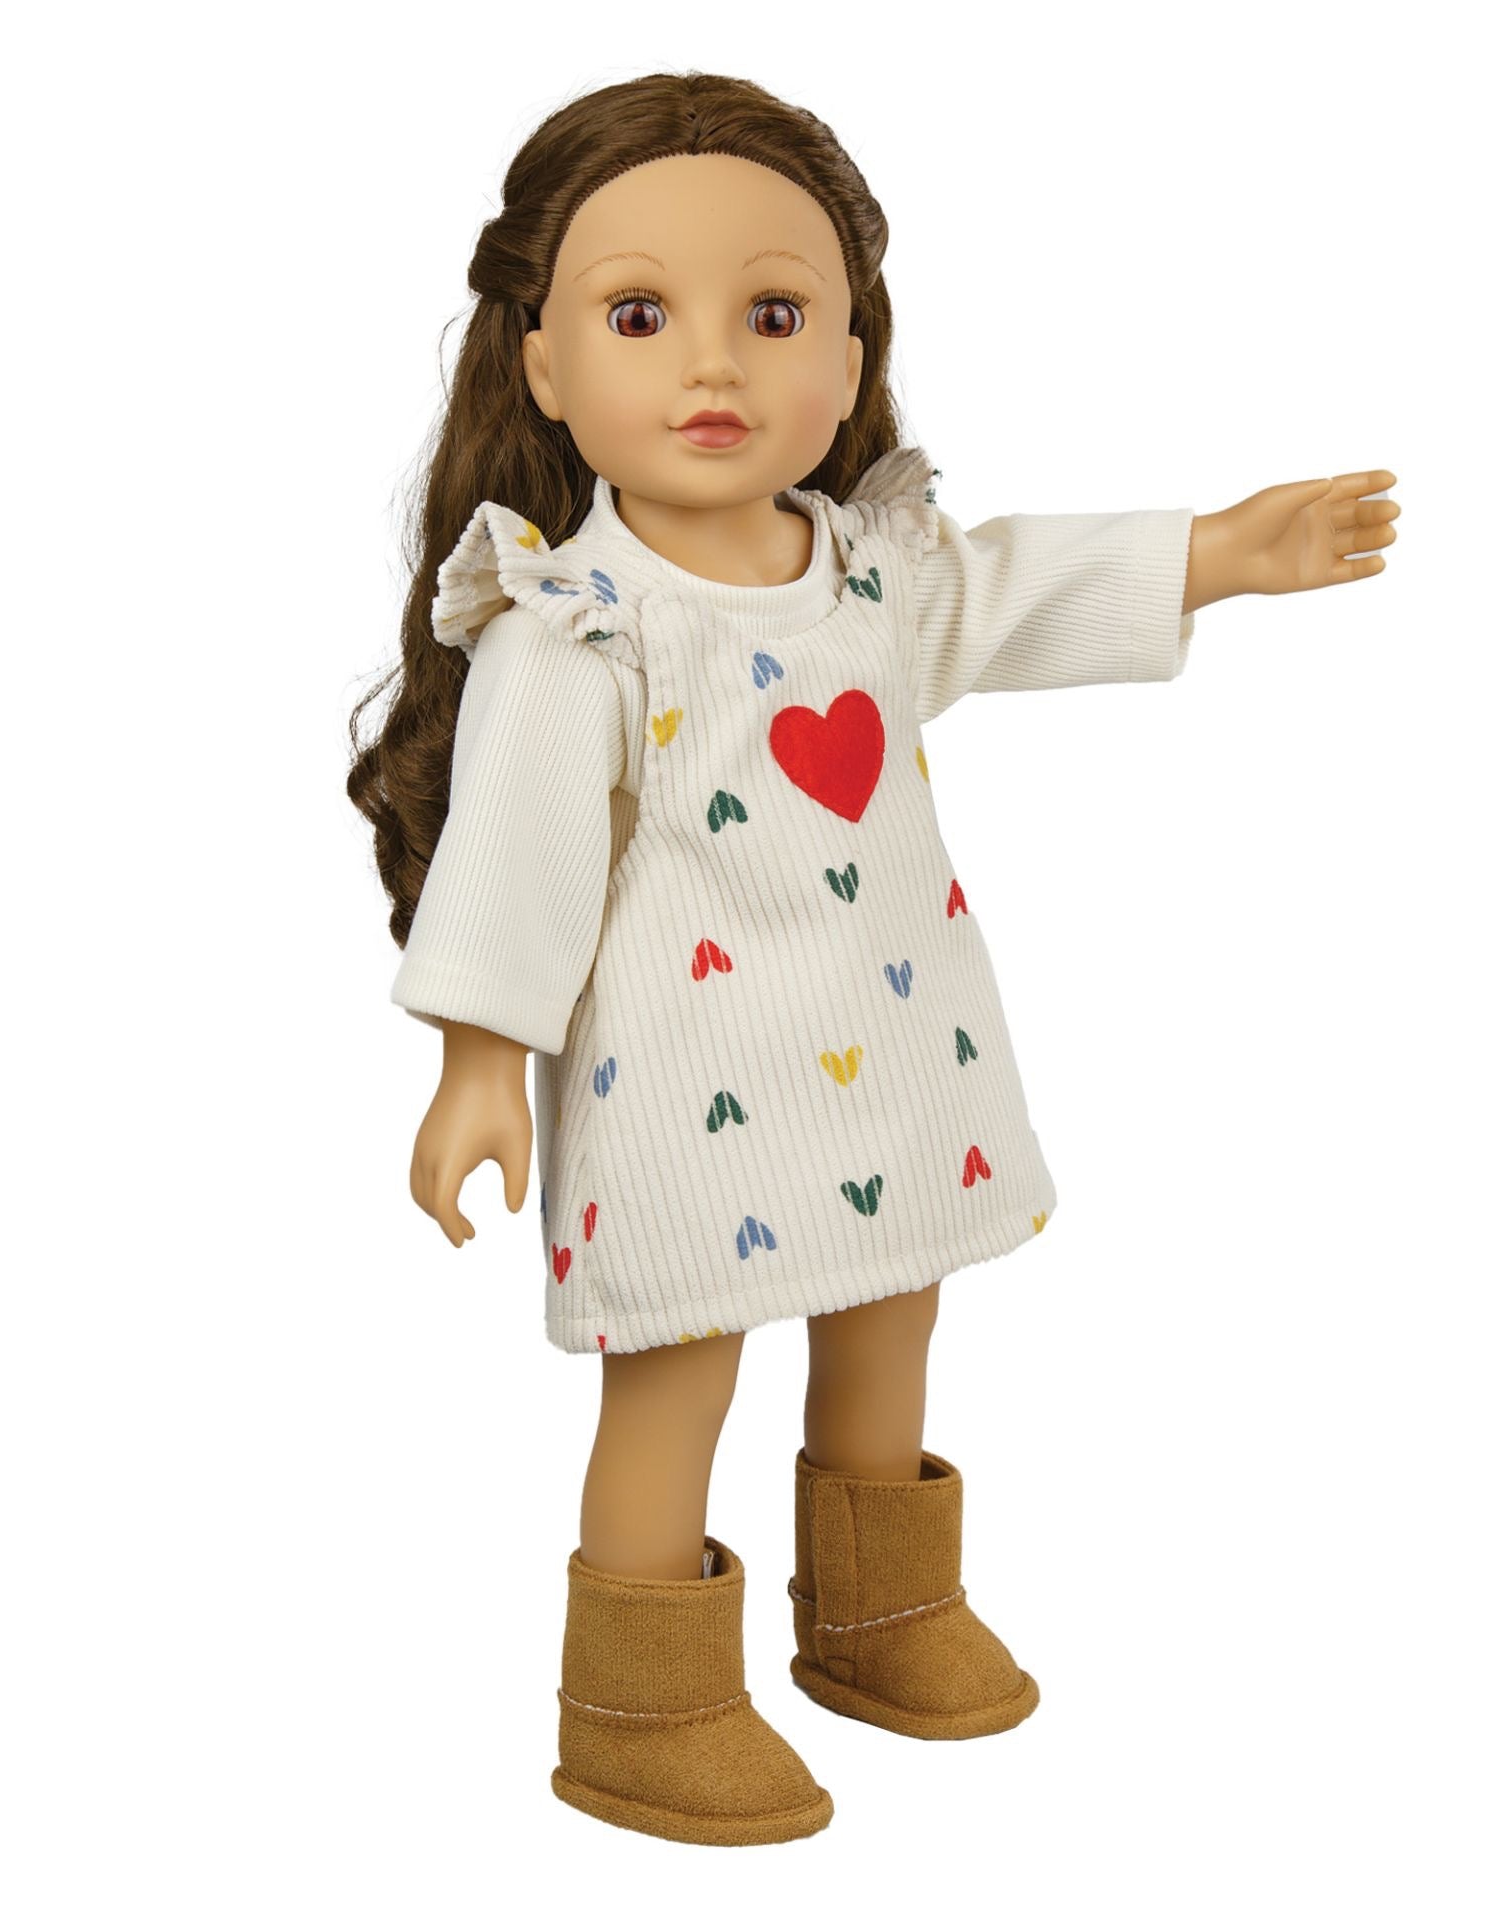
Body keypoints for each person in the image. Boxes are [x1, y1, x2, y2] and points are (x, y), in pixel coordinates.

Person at [346, 70, 1400, 1847]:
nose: (712, 365)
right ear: (543, 367)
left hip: (894, 1047)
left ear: (849, 357)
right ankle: (649, 1699)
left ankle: (881, 1609)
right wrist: (475, 1063)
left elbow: (1015, 587)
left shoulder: (867, 574)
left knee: (893, 1300)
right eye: (638, 315)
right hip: (681, 1082)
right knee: (676, 1365)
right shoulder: (574, 630)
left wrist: (1219, 553)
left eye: (773, 315)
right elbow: (515, 858)